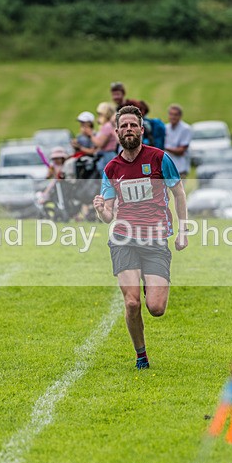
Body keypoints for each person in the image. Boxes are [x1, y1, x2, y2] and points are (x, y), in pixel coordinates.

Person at [92, 105, 188, 370]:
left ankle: (148, 279)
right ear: (117, 132)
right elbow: (108, 216)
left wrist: (183, 231)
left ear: (142, 130)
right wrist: (101, 210)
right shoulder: (111, 168)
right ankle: (141, 355)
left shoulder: (159, 159)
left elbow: (179, 194)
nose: (129, 129)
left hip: (155, 240)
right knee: (132, 302)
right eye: (124, 126)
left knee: (156, 308)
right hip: (124, 239)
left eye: (133, 125)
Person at [164, 103, 192, 178]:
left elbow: (181, 150)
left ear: (180, 116)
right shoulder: (165, 128)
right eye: (171, 114)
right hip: (168, 168)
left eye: (175, 115)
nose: (173, 117)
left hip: (180, 168)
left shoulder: (186, 129)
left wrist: (164, 147)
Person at [91, 102, 119, 172]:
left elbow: (100, 144)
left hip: (107, 156)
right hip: (108, 155)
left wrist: (90, 135)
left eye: (100, 114)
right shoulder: (108, 125)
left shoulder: (107, 126)